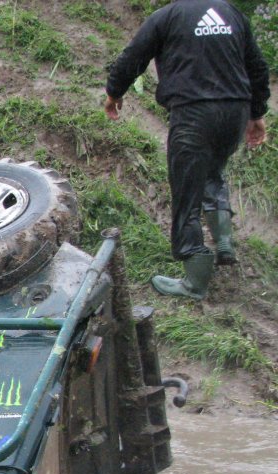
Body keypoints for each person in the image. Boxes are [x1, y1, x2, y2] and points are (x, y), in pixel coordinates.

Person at [104, 0, 269, 300]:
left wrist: (114, 91)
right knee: (212, 170)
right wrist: (256, 114)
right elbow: (257, 66)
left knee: (186, 191)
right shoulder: (232, 14)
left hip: (194, 113)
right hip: (234, 112)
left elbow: (134, 56)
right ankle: (224, 243)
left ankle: (194, 281)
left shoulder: (167, 16)